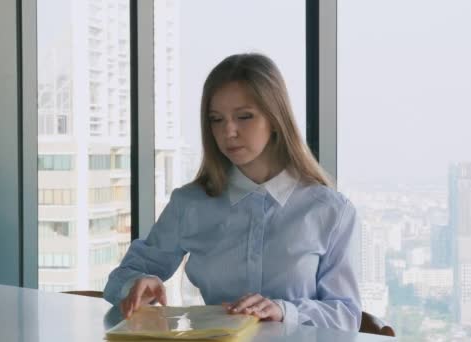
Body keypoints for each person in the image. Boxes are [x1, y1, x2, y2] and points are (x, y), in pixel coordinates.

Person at [103, 53, 362, 331]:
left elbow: (346, 314)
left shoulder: (330, 211)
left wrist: (284, 310)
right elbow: (119, 279)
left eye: (244, 117)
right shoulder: (190, 203)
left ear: (275, 119)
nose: (229, 131)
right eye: (216, 119)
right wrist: (137, 284)